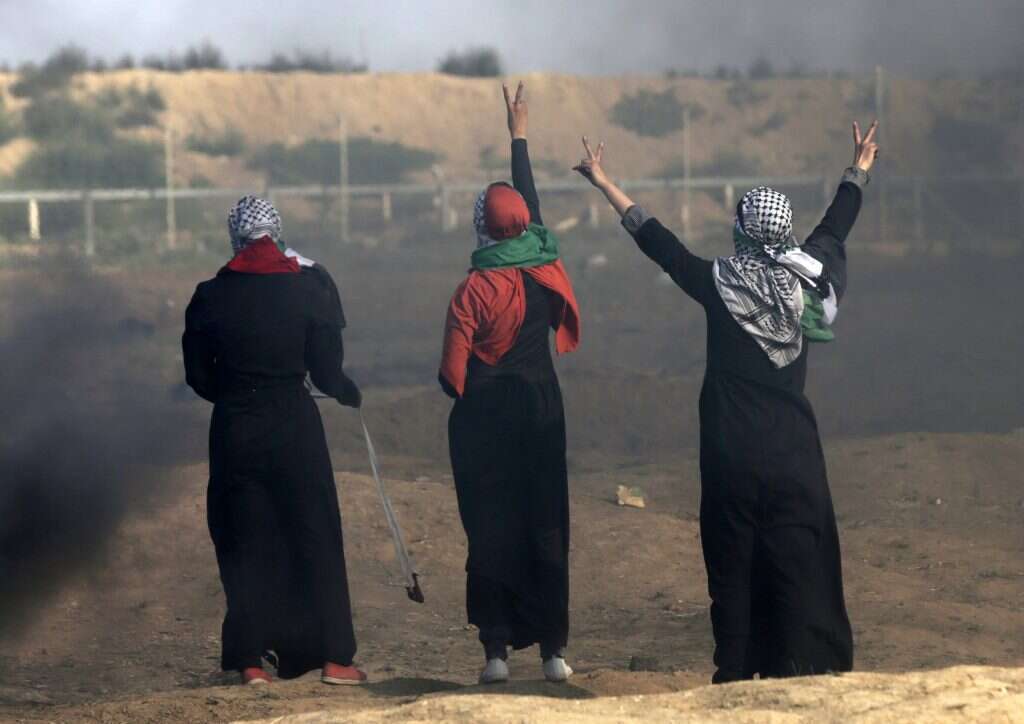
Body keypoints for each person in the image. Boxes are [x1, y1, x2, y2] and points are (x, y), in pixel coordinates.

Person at [573, 121, 880, 682]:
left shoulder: (717, 282)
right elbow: (834, 231)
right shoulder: (808, 283)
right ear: (784, 232)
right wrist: (856, 171)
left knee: (733, 571)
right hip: (794, 459)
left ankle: (733, 679)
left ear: (741, 229)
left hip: (730, 457)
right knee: (796, 568)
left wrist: (603, 181)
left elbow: (658, 242)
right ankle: (801, 675)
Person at [182, 195, 366, 686]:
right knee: (314, 536)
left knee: (245, 540)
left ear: (235, 238)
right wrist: (348, 393)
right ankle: (333, 659)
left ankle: (249, 662)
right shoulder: (310, 289)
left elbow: (198, 376)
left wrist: (239, 396)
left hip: (236, 428)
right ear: (277, 233)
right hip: (294, 426)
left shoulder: (209, 296)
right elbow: (327, 373)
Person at [439, 83, 582, 684]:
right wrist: (518, 135)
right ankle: (553, 653)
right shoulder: (546, 266)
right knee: (546, 522)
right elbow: (535, 208)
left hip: (486, 420)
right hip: (541, 408)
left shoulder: (472, 290)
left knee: (491, 529)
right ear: (522, 227)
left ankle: (495, 652)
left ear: (480, 228)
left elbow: (452, 377)